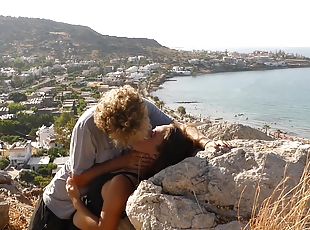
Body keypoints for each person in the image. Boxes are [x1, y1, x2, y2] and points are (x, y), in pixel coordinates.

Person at [28, 85, 173, 230]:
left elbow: (178, 132)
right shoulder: (88, 127)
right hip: (59, 206)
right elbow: (76, 180)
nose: (150, 132)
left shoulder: (141, 109)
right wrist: (121, 162)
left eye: (150, 133)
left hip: (89, 208)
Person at [66, 122, 207, 230]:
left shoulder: (122, 183)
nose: (145, 131)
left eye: (151, 134)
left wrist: (76, 201)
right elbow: (184, 127)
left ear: (155, 155)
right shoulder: (133, 170)